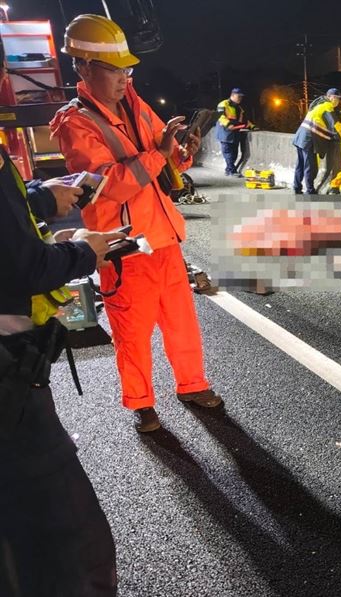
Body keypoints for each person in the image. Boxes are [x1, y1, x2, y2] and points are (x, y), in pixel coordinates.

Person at [51, 14, 223, 433]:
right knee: (132, 334)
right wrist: (158, 155)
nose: (124, 78)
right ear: (83, 67)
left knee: (182, 325)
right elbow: (109, 185)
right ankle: (142, 404)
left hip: (163, 239)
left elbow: (160, 161)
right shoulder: (74, 123)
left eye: (127, 69)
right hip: (124, 249)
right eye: (114, 70)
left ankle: (193, 385)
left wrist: (182, 152)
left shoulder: (136, 105)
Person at [1, 37, 123, 596]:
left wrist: (43, 199)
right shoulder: (80, 119)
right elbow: (21, 265)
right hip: (10, 386)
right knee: (66, 541)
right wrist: (83, 252)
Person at [292, 88, 341, 194]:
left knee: (300, 164)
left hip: (300, 136)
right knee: (310, 165)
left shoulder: (318, 105)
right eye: (337, 98)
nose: (338, 101)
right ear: (331, 97)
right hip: (309, 139)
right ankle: (310, 190)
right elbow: (335, 124)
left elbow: (323, 124)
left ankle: (297, 187)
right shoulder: (327, 106)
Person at [216, 87, 255, 177]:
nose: (240, 99)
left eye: (241, 97)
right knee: (228, 152)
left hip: (235, 133)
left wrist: (252, 126)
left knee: (234, 153)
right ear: (232, 95)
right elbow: (220, 116)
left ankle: (228, 169)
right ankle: (232, 171)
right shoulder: (223, 104)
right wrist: (228, 124)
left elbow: (245, 120)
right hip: (225, 132)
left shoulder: (239, 108)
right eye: (239, 96)